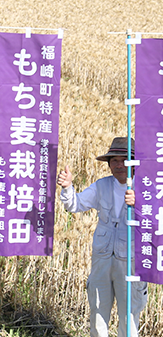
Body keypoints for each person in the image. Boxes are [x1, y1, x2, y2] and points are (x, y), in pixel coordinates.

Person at [57, 137, 148, 337]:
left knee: (129, 318)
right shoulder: (102, 186)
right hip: (102, 259)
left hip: (131, 263)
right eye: (113, 160)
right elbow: (75, 205)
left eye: (124, 159)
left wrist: (139, 205)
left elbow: (156, 222)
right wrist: (67, 187)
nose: (118, 165)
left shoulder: (147, 189)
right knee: (98, 315)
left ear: (134, 162)